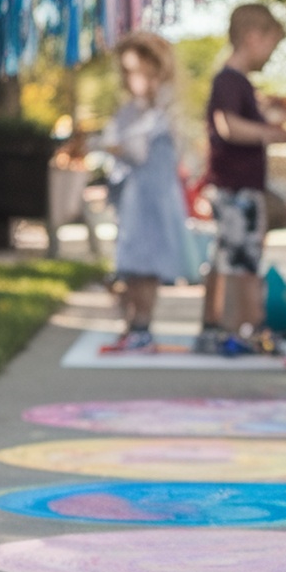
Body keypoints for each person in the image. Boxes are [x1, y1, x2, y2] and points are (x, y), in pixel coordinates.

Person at [199, 3, 286, 353]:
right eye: (270, 45)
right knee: (242, 259)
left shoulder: (238, 83)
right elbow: (228, 125)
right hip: (236, 187)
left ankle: (216, 326)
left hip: (236, 186)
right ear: (253, 37)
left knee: (227, 256)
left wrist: (275, 113)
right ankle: (242, 328)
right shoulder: (228, 80)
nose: (271, 55)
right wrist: (282, 134)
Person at [100, 32, 189, 352]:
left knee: (148, 266)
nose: (127, 79)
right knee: (130, 265)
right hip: (133, 200)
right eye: (124, 71)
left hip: (154, 201)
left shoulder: (163, 112)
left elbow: (137, 151)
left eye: (134, 71)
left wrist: (115, 145)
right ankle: (132, 320)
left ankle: (142, 323)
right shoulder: (129, 111)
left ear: (154, 72)